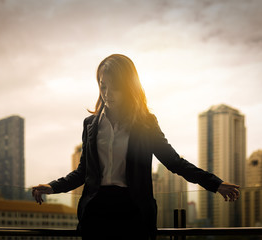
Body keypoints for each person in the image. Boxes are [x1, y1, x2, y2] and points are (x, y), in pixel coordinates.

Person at [32, 54, 240, 240]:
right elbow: (83, 172)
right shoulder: (90, 124)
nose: (107, 93)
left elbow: (173, 162)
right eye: (103, 86)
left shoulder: (145, 122)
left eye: (115, 87)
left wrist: (215, 184)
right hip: (96, 214)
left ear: (129, 87)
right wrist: (52, 187)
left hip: (133, 213)